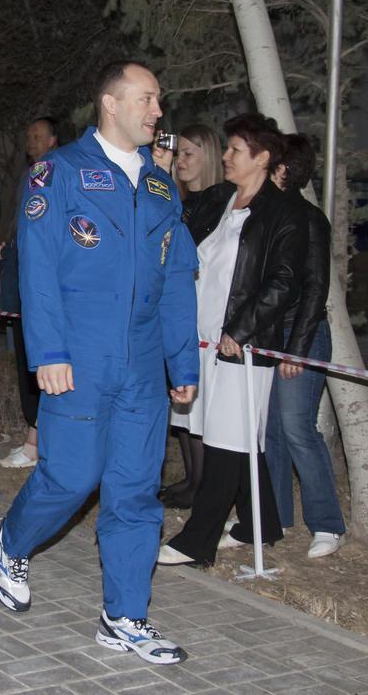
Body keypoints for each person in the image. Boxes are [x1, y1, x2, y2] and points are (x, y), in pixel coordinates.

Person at [0, 61, 198, 665]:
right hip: (79, 355)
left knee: (135, 491)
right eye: (147, 99)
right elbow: (40, 267)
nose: (158, 111)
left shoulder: (160, 188)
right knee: (72, 478)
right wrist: (47, 352)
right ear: (111, 103)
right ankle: (11, 538)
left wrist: (183, 361)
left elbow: (177, 276)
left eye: (159, 99)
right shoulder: (59, 174)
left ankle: (125, 617)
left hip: (142, 364)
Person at [160, 113, 306, 567]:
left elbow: (283, 283)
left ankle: (197, 542)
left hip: (242, 348)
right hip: (204, 342)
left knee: (226, 443)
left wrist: (239, 330)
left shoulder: (283, 213)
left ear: (262, 158)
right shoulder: (222, 199)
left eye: (235, 151)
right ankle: (263, 524)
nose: (225, 156)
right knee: (236, 436)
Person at [265, 134, 346, 559]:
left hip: (304, 334)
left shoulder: (309, 218)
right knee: (273, 431)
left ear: (282, 168)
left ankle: (328, 525)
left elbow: (316, 287)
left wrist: (297, 348)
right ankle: (275, 517)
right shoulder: (266, 214)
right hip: (273, 338)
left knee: (298, 428)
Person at [0, 116, 58, 469]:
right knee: (26, 366)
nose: (30, 140)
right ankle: (36, 439)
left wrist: (6, 253)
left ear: (55, 140)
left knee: (39, 368)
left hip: (42, 294)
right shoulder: (29, 176)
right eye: (27, 134)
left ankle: (35, 444)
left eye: (37, 135)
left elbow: (45, 241)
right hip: (23, 287)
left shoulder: (55, 178)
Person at [161, 122, 225, 508]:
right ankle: (190, 476)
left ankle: (201, 482)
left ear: (209, 158)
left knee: (198, 405)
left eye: (188, 154)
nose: (180, 161)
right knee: (182, 408)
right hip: (184, 308)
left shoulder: (220, 199)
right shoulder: (180, 200)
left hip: (207, 310)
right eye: (178, 153)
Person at [173, 123, 222, 198]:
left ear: (207, 157)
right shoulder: (172, 199)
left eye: (187, 154)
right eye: (177, 153)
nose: (178, 160)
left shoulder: (224, 203)